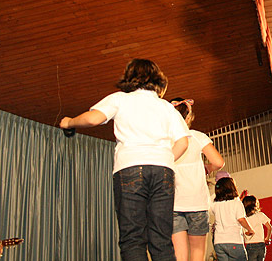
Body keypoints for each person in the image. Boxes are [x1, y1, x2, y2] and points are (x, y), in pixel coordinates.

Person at [60, 58, 190, 261]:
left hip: (130, 168)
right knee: (162, 240)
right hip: (163, 170)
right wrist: (161, 159)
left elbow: (93, 119)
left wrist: (69, 122)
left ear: (130, 77)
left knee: (133, 239)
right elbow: (183, 142)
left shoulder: (120, 99)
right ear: (158, 79)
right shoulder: (166, 107)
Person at [170, 97, 225, 261]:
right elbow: (218, 162)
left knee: (179, 255)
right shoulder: (197, 137)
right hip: (197, 204)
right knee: (197, 253)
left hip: (173, 204)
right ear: (188, 118)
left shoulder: (164, 141)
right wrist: (208, 168)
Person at [210, 177, 254, 261]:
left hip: (219, 243)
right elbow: (241, 219)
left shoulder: (215, 205)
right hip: (234, 241)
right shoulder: (237, 203)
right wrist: (250, 229)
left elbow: (209, 205)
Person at [242, 195, 272, 261]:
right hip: (261, 244)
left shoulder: (243, 218)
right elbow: (270, 228)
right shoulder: (260, 215)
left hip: (250, 245)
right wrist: (267, 238)